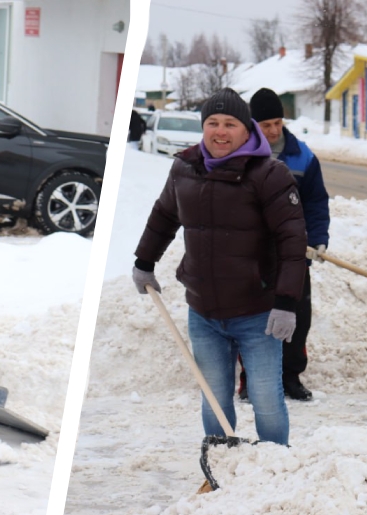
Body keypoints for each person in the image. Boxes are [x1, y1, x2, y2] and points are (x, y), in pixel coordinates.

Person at [132, 87, 304, 447]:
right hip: (204, 309)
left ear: (246, 130)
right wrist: (144, 261)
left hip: (257, 311)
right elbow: (164, 215)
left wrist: (287, 302)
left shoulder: (269, 174)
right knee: (213, 395)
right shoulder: (185, 167)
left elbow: (292, 243)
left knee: (265, 397)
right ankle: (220, 460)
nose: (220, 131)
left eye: (230, 123)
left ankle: (276, 466)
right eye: (212, 122)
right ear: (203, 127)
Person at [234, 87, 330, 402]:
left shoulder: (302, 156)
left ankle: (290, 376)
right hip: (251, 255)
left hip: (293, 252)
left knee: (297, 317)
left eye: (277, 122)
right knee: (253, 317)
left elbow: (316, 202)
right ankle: (250, 378)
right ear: (252, 125)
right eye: (266, 125)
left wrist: (317, 240)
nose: (274, 130)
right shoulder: (239, 155)